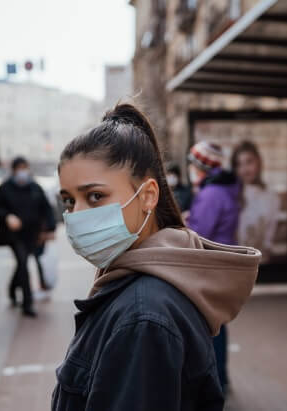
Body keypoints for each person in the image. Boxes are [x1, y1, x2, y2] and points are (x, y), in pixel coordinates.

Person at [52, 104, 260, 410]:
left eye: (96, 196)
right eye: (69, 201)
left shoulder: (143, 317)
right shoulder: (141, 291)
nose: (76, 216)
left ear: (148, 196)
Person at [187, 141, 240, 394]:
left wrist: (184, 226)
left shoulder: (211, 194)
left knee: (212, 325)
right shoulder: (222, 189)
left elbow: (200, 233)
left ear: (202, 166)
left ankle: (217, 381)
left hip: (211, 264)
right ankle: (222, 378)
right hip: (222, 261)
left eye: (193, 163)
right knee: (217, 323)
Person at [0, 157, 56, 317]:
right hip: (14, 236)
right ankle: (27, 303)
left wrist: (50, 228)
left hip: (32, 234)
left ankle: (12, 290)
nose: (22, 172)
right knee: (23, 263)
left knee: (22, 263)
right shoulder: (5, 188)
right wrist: (7, 216)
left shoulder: (35, 187)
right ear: (13, 170)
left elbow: (47, 209)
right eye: (19, 168)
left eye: (24, 168)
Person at [231, 141, 280, 263]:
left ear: (258, 162)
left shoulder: (271, 197)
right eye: (239, 164)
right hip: (236, 262)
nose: (244, 169)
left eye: (249, 162)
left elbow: (270, 232)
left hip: (262, 262)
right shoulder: (230, 195)